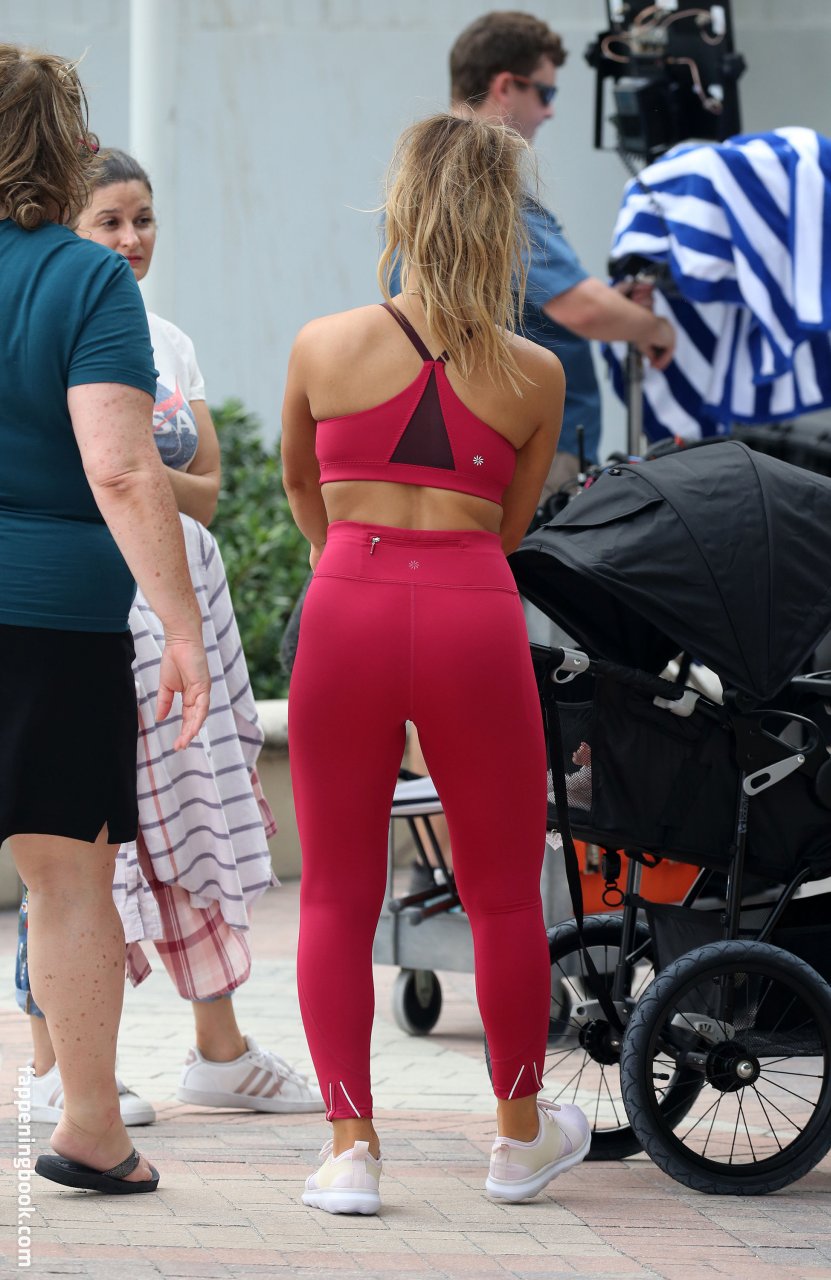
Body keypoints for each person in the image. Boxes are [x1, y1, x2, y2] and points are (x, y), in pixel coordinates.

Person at [282, 112, 591, 1216]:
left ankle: (349, 1151)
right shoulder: (538, 373)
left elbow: (303, 489)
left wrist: (354, 567)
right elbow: (510, 525)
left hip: (347, 604)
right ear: (505, 224)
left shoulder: (323, 345)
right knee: (505, 891)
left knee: (336, 890)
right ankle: (517, 1136)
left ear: (403, 210)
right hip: (472, 608)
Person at [14, 149, 323, 1125]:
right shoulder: (65, 299)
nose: (130, 238)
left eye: (143, 218)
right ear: (69, 221)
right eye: (109, 219)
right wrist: (138, 474)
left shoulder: (169, 340)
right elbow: (112, 468)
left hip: (174, 587)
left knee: (191, 814)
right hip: (97, 600)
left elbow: (205, 489)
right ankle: (59, 1070)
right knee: (71, 850)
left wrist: (145, 478)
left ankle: (215, 1048)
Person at [0, 44, 210, 1193]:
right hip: (53, 619)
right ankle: (89, 1128)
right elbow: (124, 469)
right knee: (66, 878)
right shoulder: (86, 281)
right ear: (61, 146)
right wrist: (180, 624)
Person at [449, 11, 676, 499]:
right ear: (505, 86)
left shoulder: (421, 188)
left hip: (462, 435)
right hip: (523, 443)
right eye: (545, 93)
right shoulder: (487, 193)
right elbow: (582, 308)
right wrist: (654, 329)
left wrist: (615, 304)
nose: (549, 112)